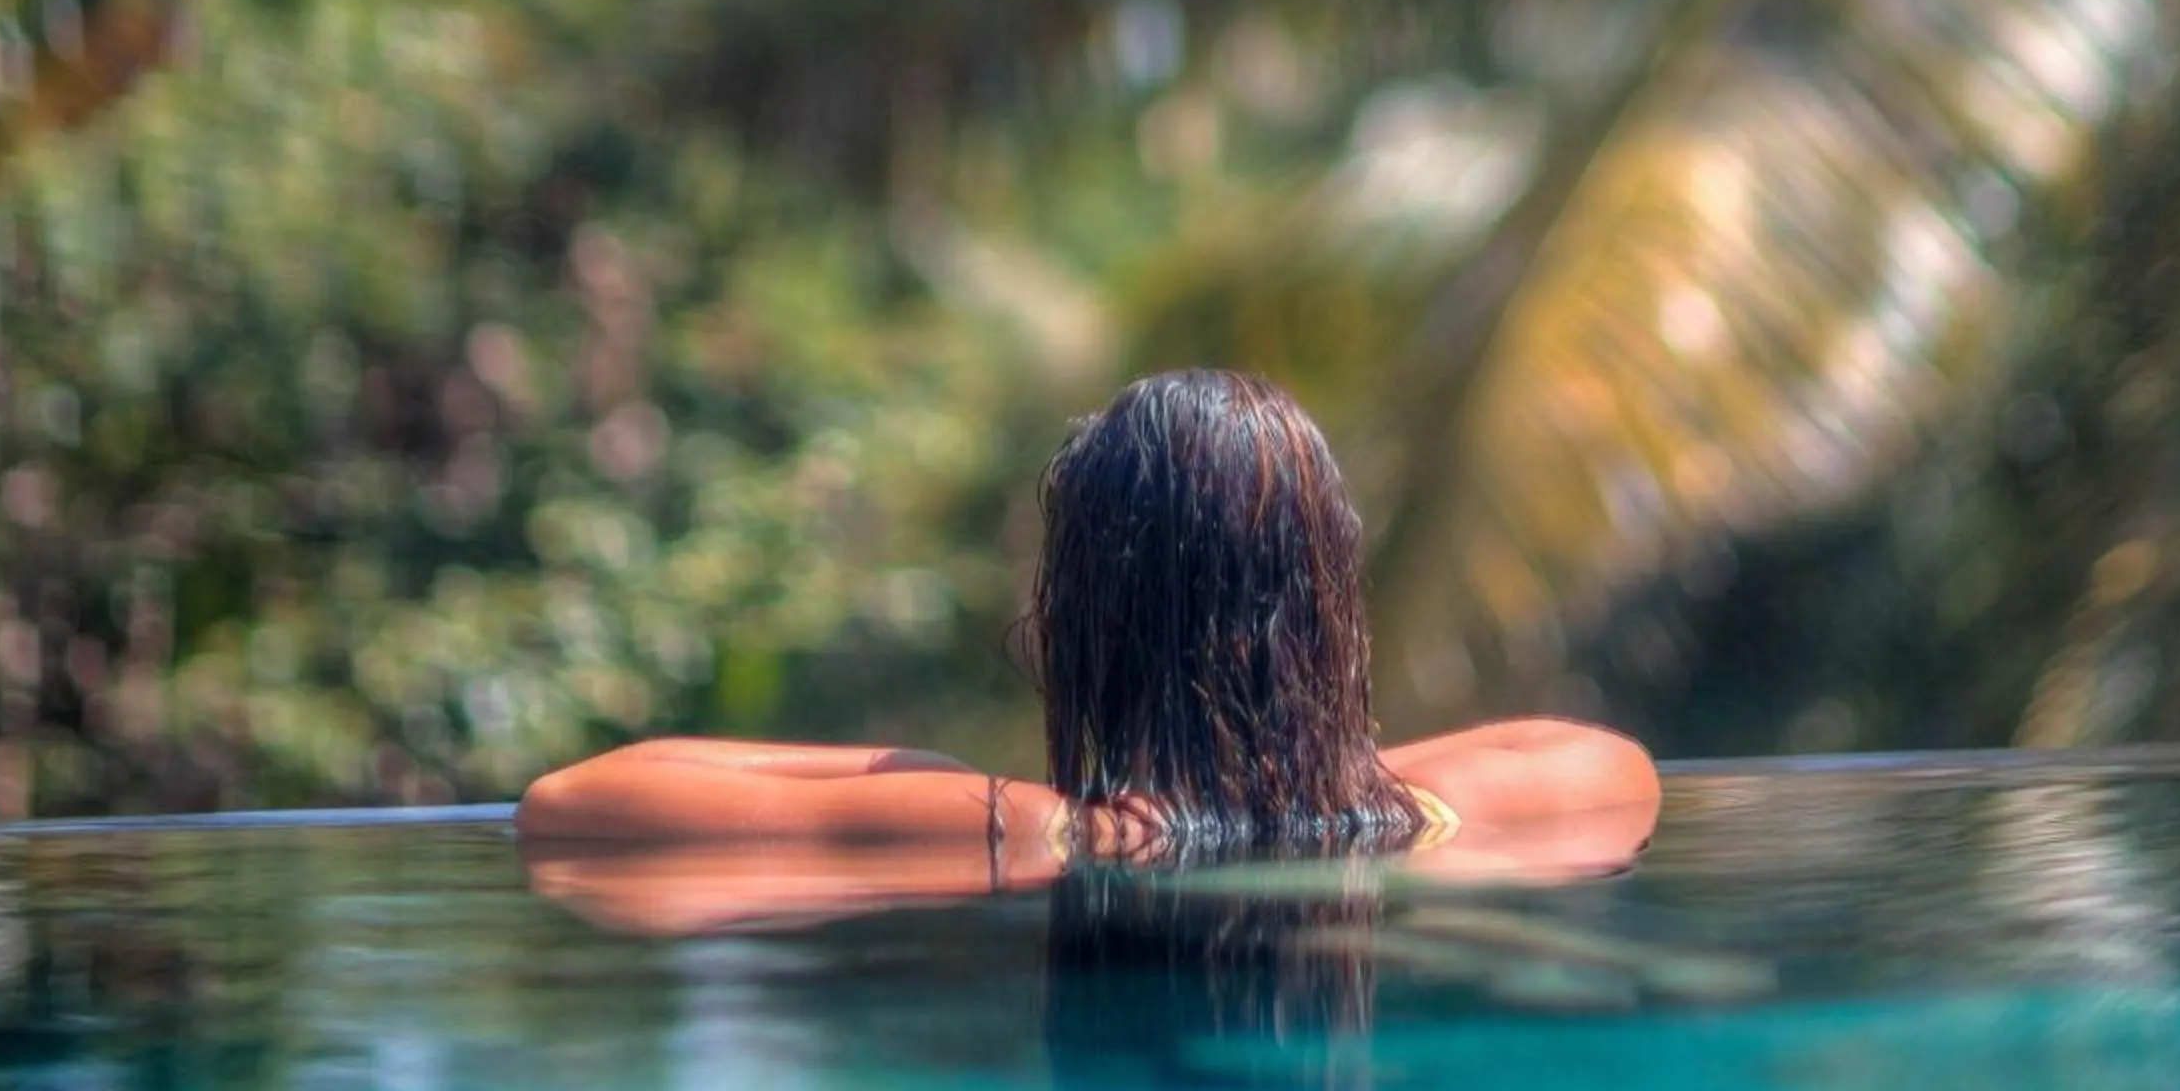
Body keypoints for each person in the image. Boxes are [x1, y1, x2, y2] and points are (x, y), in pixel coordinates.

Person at [518, 369, 1659, 899]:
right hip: (1328, 791)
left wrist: (914, 775)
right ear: (1327, 605)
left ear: (1083, 617)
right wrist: (1303, 788)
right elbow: (1614, 763)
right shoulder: (1433, 815)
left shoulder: (1018, 829)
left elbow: (564, 805)